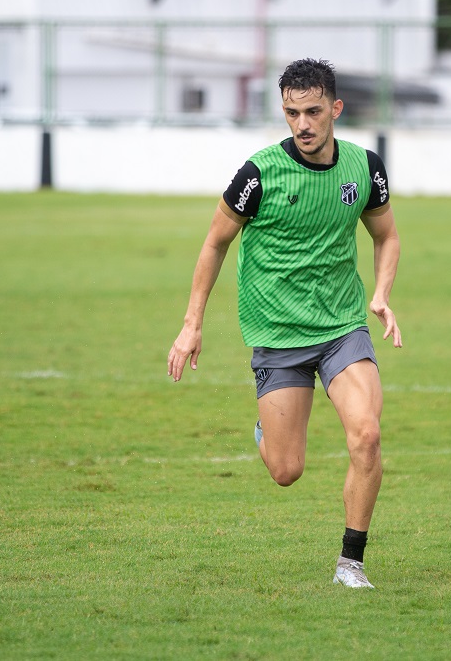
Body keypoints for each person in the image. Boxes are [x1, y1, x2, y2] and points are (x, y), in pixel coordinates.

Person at [167, 58, 402, 589]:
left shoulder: (365, 168)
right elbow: (215, 243)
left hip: (342, 324)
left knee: (366, 435)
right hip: (277, 336)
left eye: (314, 111)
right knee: (285, 470)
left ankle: (351, 563)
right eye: (293, 113)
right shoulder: (258, 174)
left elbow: (386, 235)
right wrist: (192, 324)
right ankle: (267, 434)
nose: (303, 124)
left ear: (336, 109)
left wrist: (382, 293)